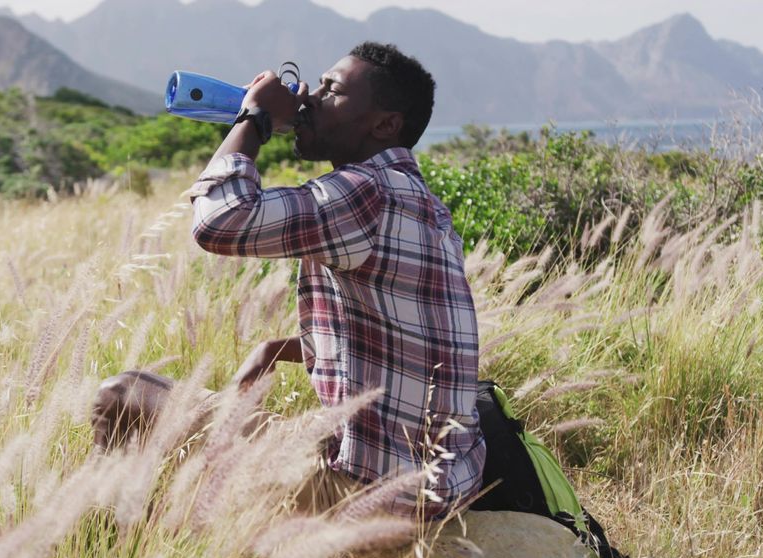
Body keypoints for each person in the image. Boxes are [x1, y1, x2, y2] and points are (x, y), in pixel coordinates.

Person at [92, 42, 485, 520]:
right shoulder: (418, 200)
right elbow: (408, 331)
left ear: (385, 124)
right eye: (315, 84)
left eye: (332, 89)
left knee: (121, 395)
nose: (310, 97)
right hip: (437, 486)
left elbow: (219, 222)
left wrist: (255, 119)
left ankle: (120, 543)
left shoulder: (367, 193)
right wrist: (280, 348)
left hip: (369, 496)